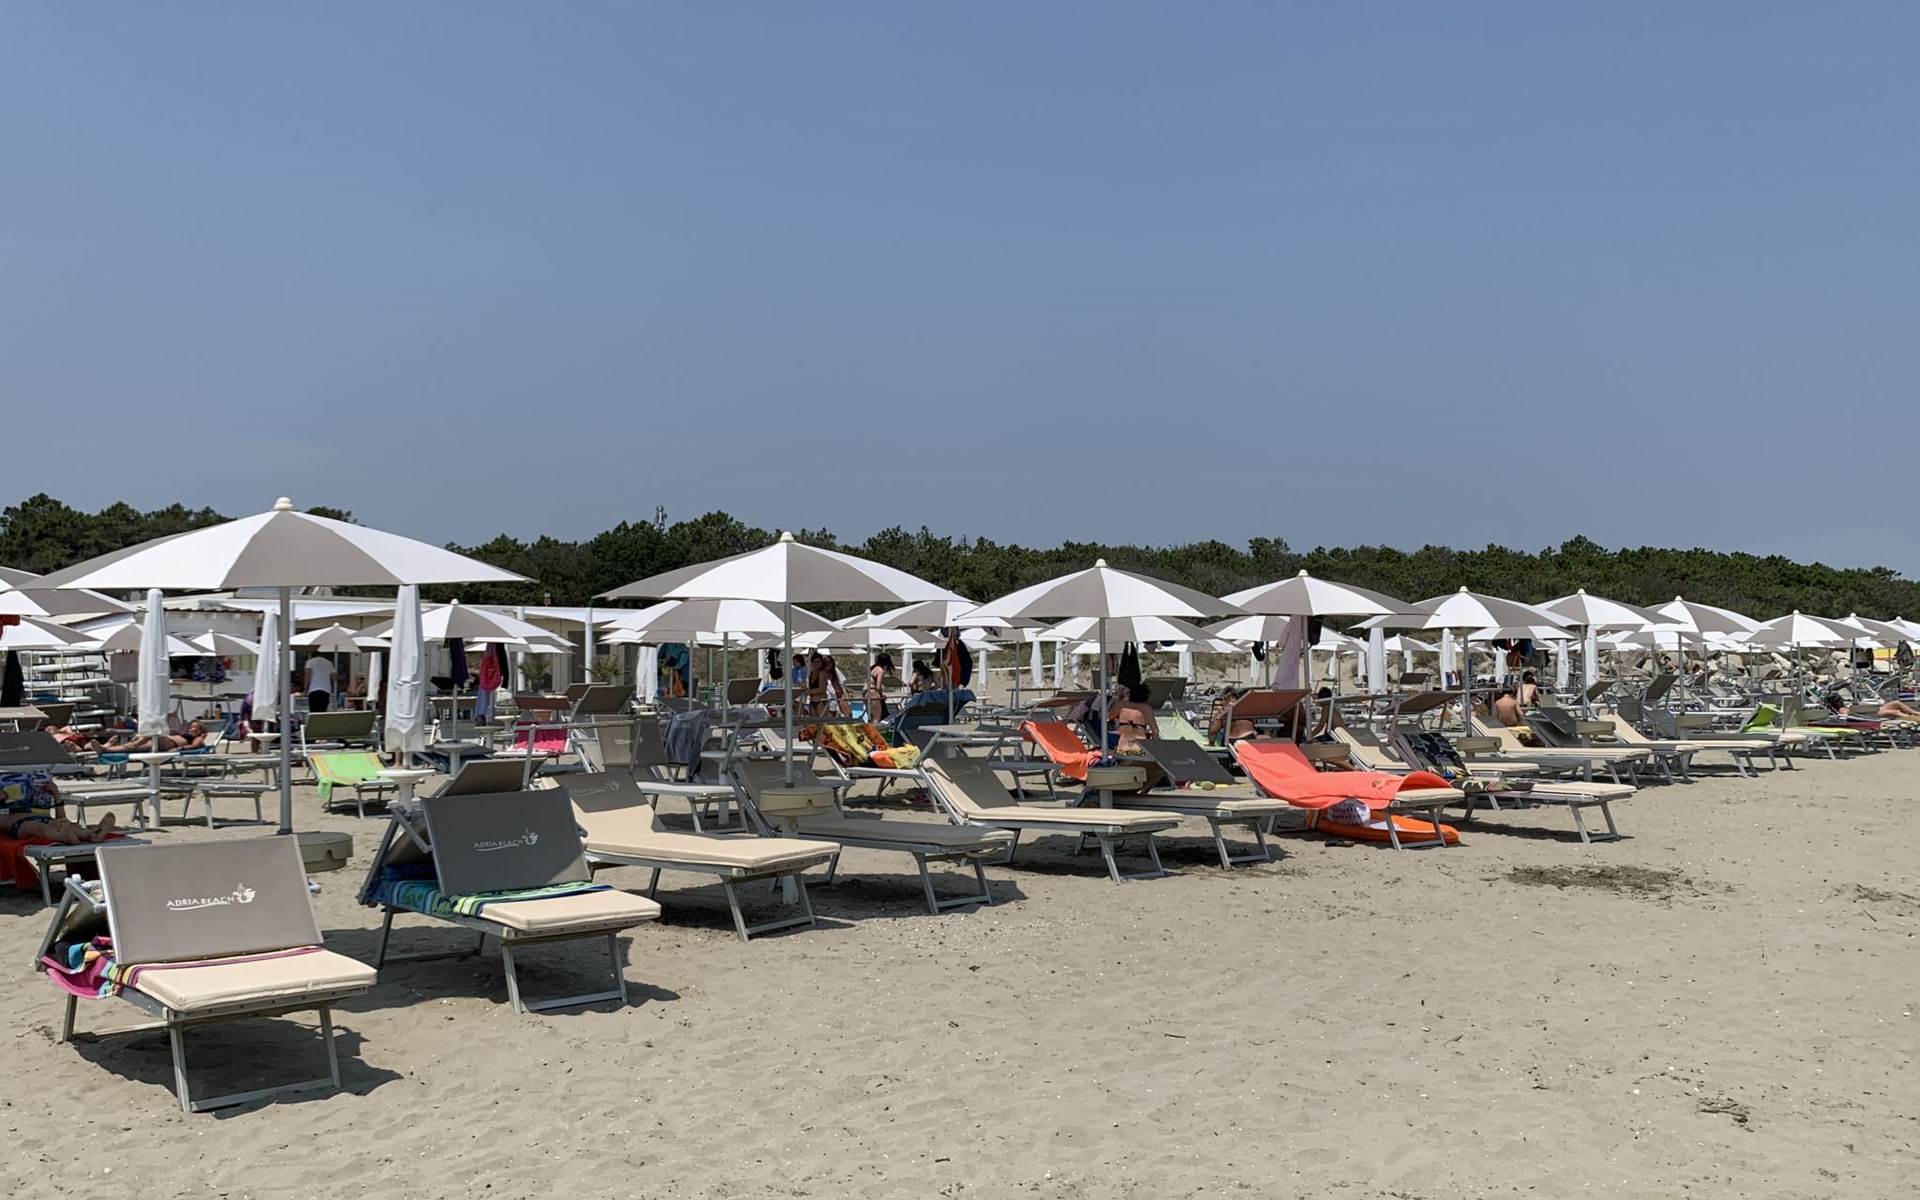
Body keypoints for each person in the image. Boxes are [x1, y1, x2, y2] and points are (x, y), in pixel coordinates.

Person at [2, 776, 116, 845]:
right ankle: (62, 836)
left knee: (63, 823)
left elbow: (61, 819)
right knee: (38, 827)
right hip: (17, 824)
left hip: (39, 816)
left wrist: (56, 795)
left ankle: (92, 834)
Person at [1106, 682, 1160, 753]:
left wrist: (1118, 699)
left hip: (1123, 747)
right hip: (1140, 747)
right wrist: (1153, 748)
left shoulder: (1122, 704)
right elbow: (1155, 731)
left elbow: (1110, 716)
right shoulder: (1146, 708)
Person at [867, 654, 893, 722]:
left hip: (866, 691)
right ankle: (876, 729)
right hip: (872, 692)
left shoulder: (873, 668)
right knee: (877, 718)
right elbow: (878, 687)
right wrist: (881, 696)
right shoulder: (880, 670)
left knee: (871, 717)